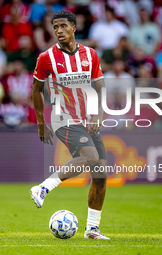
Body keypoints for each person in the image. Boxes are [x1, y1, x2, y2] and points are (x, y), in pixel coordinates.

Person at [30, 10, 109, 240]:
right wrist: (41, 122)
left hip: (87, 119)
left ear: (74, 27)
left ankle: (92, 229)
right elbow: (36, 90)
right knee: (91, 157)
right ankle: (43, 187)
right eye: (55, 27)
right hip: (63, 119)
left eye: (63, 26)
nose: (59, 31)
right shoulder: (46, 58)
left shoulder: (90, 54)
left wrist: (99, 114)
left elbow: (100, 86)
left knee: (100, 175)